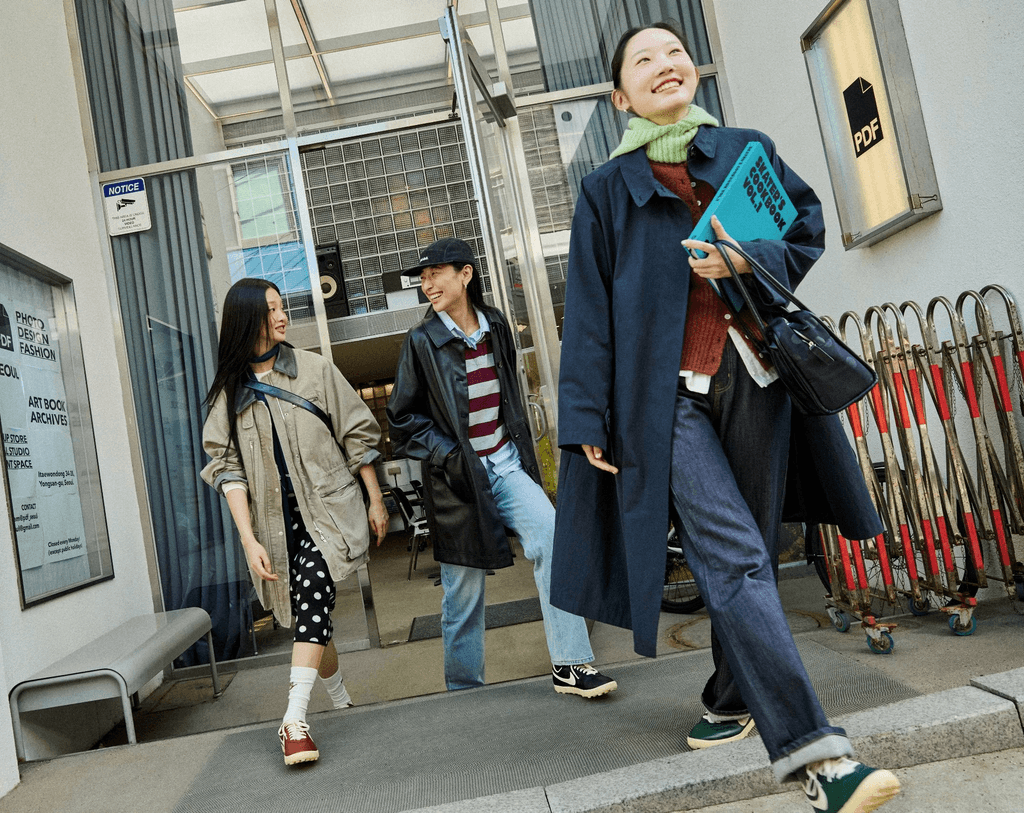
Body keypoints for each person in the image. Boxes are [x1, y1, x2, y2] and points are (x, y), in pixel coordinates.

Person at [550, 23, 901, 813]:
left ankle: (732, 692)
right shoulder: (606, 189)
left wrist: (746, 258)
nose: (664, 64)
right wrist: (586, 416)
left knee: (751, 551)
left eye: (674, 52)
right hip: (660, 401)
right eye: (643, 60)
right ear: (620, 97)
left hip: (754, 379)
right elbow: (590, 310)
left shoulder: (746, 151)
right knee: (735, 555)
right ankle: (820, 759)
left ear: (694, 70)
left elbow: (804, 229)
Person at [387, 236, 617, 698]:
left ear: (465, 274)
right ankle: (465, 690)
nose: (427, 284)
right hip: (458, 479)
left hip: (505, 463)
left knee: (553, 537)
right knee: (463, 591)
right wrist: (450, 455)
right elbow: (402, 420)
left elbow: (509, 391)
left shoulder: (494, 324)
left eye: (435, 274)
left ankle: (570, 663)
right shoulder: (421, 341)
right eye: (423, 278)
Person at [201, 278, 388, 766]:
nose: (282, 316)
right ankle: (341, 699)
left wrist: (375, 499)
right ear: (247, 319)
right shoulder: (229, 393)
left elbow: (356, 434)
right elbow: (227, 470)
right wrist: (248, 540)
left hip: (328, 513)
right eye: (271, 310)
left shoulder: (315, 369)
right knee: (313, 614)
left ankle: (293, 719)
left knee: (313, 590)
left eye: (282, 307)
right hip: (276, 527)